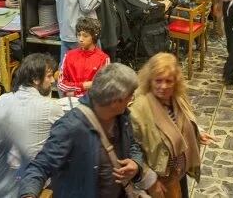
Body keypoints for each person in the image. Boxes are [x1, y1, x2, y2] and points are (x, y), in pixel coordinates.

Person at [19, 63, 155, 198]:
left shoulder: (122, 117)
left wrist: (136, 164)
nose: (132, 99)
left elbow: (132, 145)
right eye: (130, 95)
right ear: (116, 101)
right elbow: (40, 167)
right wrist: (28, 195)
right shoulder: (71, 127)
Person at [130, 53, 215, 197]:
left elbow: (180, 122)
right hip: (160, 179)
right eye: (158, 80)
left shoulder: (176, 97)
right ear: (150, 80)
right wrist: (150, 181)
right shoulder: (138, 109)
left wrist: (196, 132)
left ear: (176, 82)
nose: (163, 86)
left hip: (178, 173)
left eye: (169, 81)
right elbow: (133, 149)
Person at [0, 53, 63, 169]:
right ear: (35, 79)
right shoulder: (50, 107)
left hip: (6, 171)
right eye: (49, 76)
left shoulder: (3, 100)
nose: (53, 80)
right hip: (35, 176)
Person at [58, 17, 109, 97]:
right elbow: (61, 84)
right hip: (71, 103)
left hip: (92, 103)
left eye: (85, 36)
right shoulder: (69, 55)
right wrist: (84, 86)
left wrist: (74, 92)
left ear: (94, 37)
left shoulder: (104, 58)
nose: (80, 39)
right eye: (78, 35)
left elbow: (103, 87)